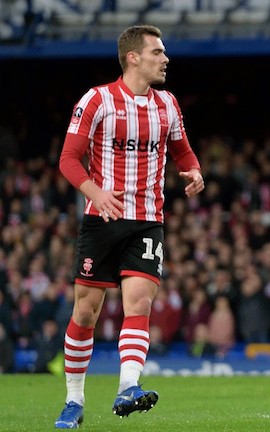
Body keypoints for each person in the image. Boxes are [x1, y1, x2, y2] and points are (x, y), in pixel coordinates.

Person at [55, 25, 205, 428]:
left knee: (139, 305)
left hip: (147, 221)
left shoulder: (168, 104)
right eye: (158, 52)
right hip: (101, 219)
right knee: (86, 312)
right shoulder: (97, 100)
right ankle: (74, 401)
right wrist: (94, 192)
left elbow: (182, 150)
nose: (166, 58)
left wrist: (192, 171)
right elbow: (68, 158)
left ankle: (128, 387)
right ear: (133, 57)